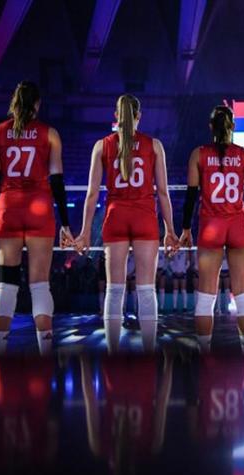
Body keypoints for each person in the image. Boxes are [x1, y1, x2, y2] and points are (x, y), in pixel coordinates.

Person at [75, 94, 177, 353]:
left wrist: (85, 232)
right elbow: (163, 193)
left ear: (115, 116)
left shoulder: (102, 146)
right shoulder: (154, 146)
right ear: (139, 116)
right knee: (145, 289)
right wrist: (170, 231)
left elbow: (92, 194)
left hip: (116, 216)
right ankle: (149, 352)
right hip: (144, 217)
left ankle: (113, 352)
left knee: (114, 289)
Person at [0, 81, 73, 355]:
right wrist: (66, 224)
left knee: (6, 283)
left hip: (9, 208)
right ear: (37, 104)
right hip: (40, 209)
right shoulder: (50, 134)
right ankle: (45, 353)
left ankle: (0, 352)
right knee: (40, 284)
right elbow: (57, 183)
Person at [180, 105, 244, 354]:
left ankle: (204, 353)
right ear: (233, 127)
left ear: (211, 127)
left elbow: (190, 197)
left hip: (210, 225)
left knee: (206, 296)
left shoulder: (198, 155)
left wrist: (185, 229)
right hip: (238, 225)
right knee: (243, 294)